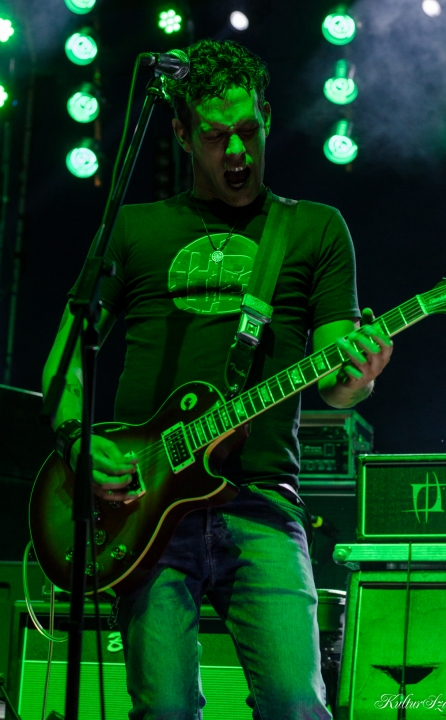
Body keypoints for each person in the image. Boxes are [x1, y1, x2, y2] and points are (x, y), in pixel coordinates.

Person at [43, 39, 392, 720]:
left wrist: (361, 376)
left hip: (261, 500)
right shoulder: (133, 229)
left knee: (296, 703)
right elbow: (65, 363)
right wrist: (77, 441)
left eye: (247, 130)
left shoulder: (314, 228)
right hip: (142, 508)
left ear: (266, 117)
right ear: (180, 134)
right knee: (165, 710)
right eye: (213, 136)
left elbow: (335, 380)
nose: (236, 151)